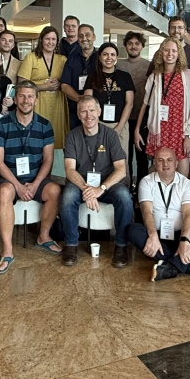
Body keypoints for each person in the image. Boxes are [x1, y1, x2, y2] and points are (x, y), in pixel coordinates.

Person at [0, 81, 61, 272]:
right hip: (9, 178)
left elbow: (48, 160)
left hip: (36, 177)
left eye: (30, 96)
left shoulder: (45, 125)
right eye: (21, 96)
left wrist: (36, 184)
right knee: (4, 192)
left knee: (55, 190)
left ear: (36, 100)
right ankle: (7, 250)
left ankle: (43, 236)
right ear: (14, 99)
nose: (25, 100)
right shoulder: (1, 124)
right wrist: (18, 186)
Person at [59, 97, 134, 267]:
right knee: (68, 195)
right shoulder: (72, 136)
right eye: (84, 111)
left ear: (99, 112)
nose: (88, 115)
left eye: (92, 110)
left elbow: (121, 169)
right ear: (78, 115)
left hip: (107, 185)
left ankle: (121, 245)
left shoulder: (111, 135)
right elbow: (70, 170)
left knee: (124, 195)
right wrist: (88, 189)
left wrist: (100, 189)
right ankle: (71, 244)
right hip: (81, 184)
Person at [128, 147, 190, 281]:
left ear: (176, 163)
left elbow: (188, 214)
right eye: (160, 160)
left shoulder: (186, 184)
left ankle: (169, 266)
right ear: (155, 164)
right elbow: (147, 212)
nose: (165, 164)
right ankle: (185, 264)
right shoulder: (146, 182)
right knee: (132, 230)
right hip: (157, 238)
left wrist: (185, 240)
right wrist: (152, 235)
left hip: (180, 236)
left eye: (169, 160)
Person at [134, 38, 190, 178]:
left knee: (181, 176)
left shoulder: (188, 76)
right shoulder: (154, 77)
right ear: (161, 53)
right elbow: (145, 104)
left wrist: (189, 135)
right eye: (166, 50)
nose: (170, 54)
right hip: (160, 131)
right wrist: (137, 130)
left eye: (174, 51)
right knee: (160, 175)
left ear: (179, 53)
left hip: (180, 132)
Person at [83, 42, 135, 177]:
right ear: (99, 57)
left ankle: (124, 191)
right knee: (98, 160)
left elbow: (129, 103)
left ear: (117, 57)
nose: (109, 58)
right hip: (97, 125)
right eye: (105, 54)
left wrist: (119, 127)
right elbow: (88, 102)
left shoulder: (125, 77)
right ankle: (99, 190)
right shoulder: (93, 76)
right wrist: (97, 126)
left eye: (112, 55)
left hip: (120, 125)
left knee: (121, 160)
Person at [17, 26, 68, 154]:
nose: (50, 42)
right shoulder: (31, 57)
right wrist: (44, 87)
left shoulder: (62, 59)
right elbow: (21, 82)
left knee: (57, 137)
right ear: (41, 40)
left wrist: (60, 84)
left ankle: (56, 172)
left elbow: (68, 81)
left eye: (53, 39)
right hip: (37, 103)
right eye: (47, 39)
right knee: (37, 134)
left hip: (57, 103)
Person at [118, 32, 151, 183]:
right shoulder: (118, 64)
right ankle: (128, 188)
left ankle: (142, 192)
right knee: (125, 157)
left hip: (143, 118)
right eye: (130, 43)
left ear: (142, 46)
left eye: (137, 44)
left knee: (142, 158)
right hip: (123, 118)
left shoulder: (149, 66)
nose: (133, 46)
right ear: (125, 46)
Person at [60, 23, 98, 130]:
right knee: (75, 141)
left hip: (96, 111)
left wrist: (90, 104)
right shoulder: (71, 59)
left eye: (87, 35)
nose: (84, 38)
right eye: (81, 36)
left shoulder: (101, 58)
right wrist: (80, 100)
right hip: (75, 110)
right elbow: (64, 85)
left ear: (94, 37)